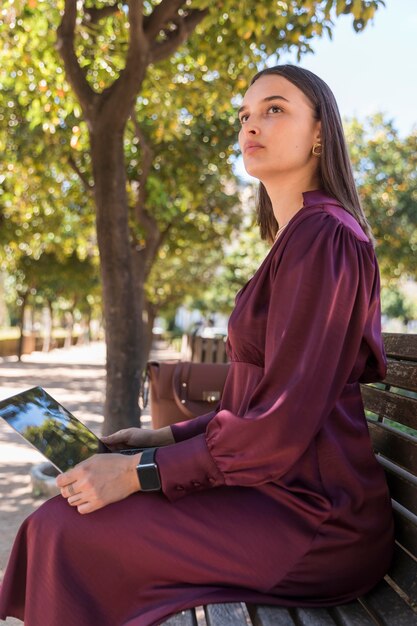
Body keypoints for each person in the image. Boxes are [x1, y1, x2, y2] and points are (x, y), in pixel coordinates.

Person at [0, 64, 394, 626]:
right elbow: (255, 406)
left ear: (320, 133)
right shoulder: (300, 238)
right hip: (276, 494)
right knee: (66, 517)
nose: (251, 125)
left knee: (66, 529)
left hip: (315, 521)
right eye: (245, 115)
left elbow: (280, 424)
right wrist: (156, 438)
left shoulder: (324, 237)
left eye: (275, 109)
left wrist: (139, 472)